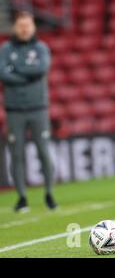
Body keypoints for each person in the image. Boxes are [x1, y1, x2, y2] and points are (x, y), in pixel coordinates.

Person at [0, 11, 57, 212]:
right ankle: (22, 197)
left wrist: (16, 70)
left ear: (33, 27)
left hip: (38, 109)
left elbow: (41, 69)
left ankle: (49, 193)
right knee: (16, 154)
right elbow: (2, 73)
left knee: (43, 151)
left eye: (28, 25)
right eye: (21, 25)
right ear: (15, 27)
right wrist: (27, 74)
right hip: (14, 110)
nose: (24, 29)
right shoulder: (6, 49)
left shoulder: (41, 48)